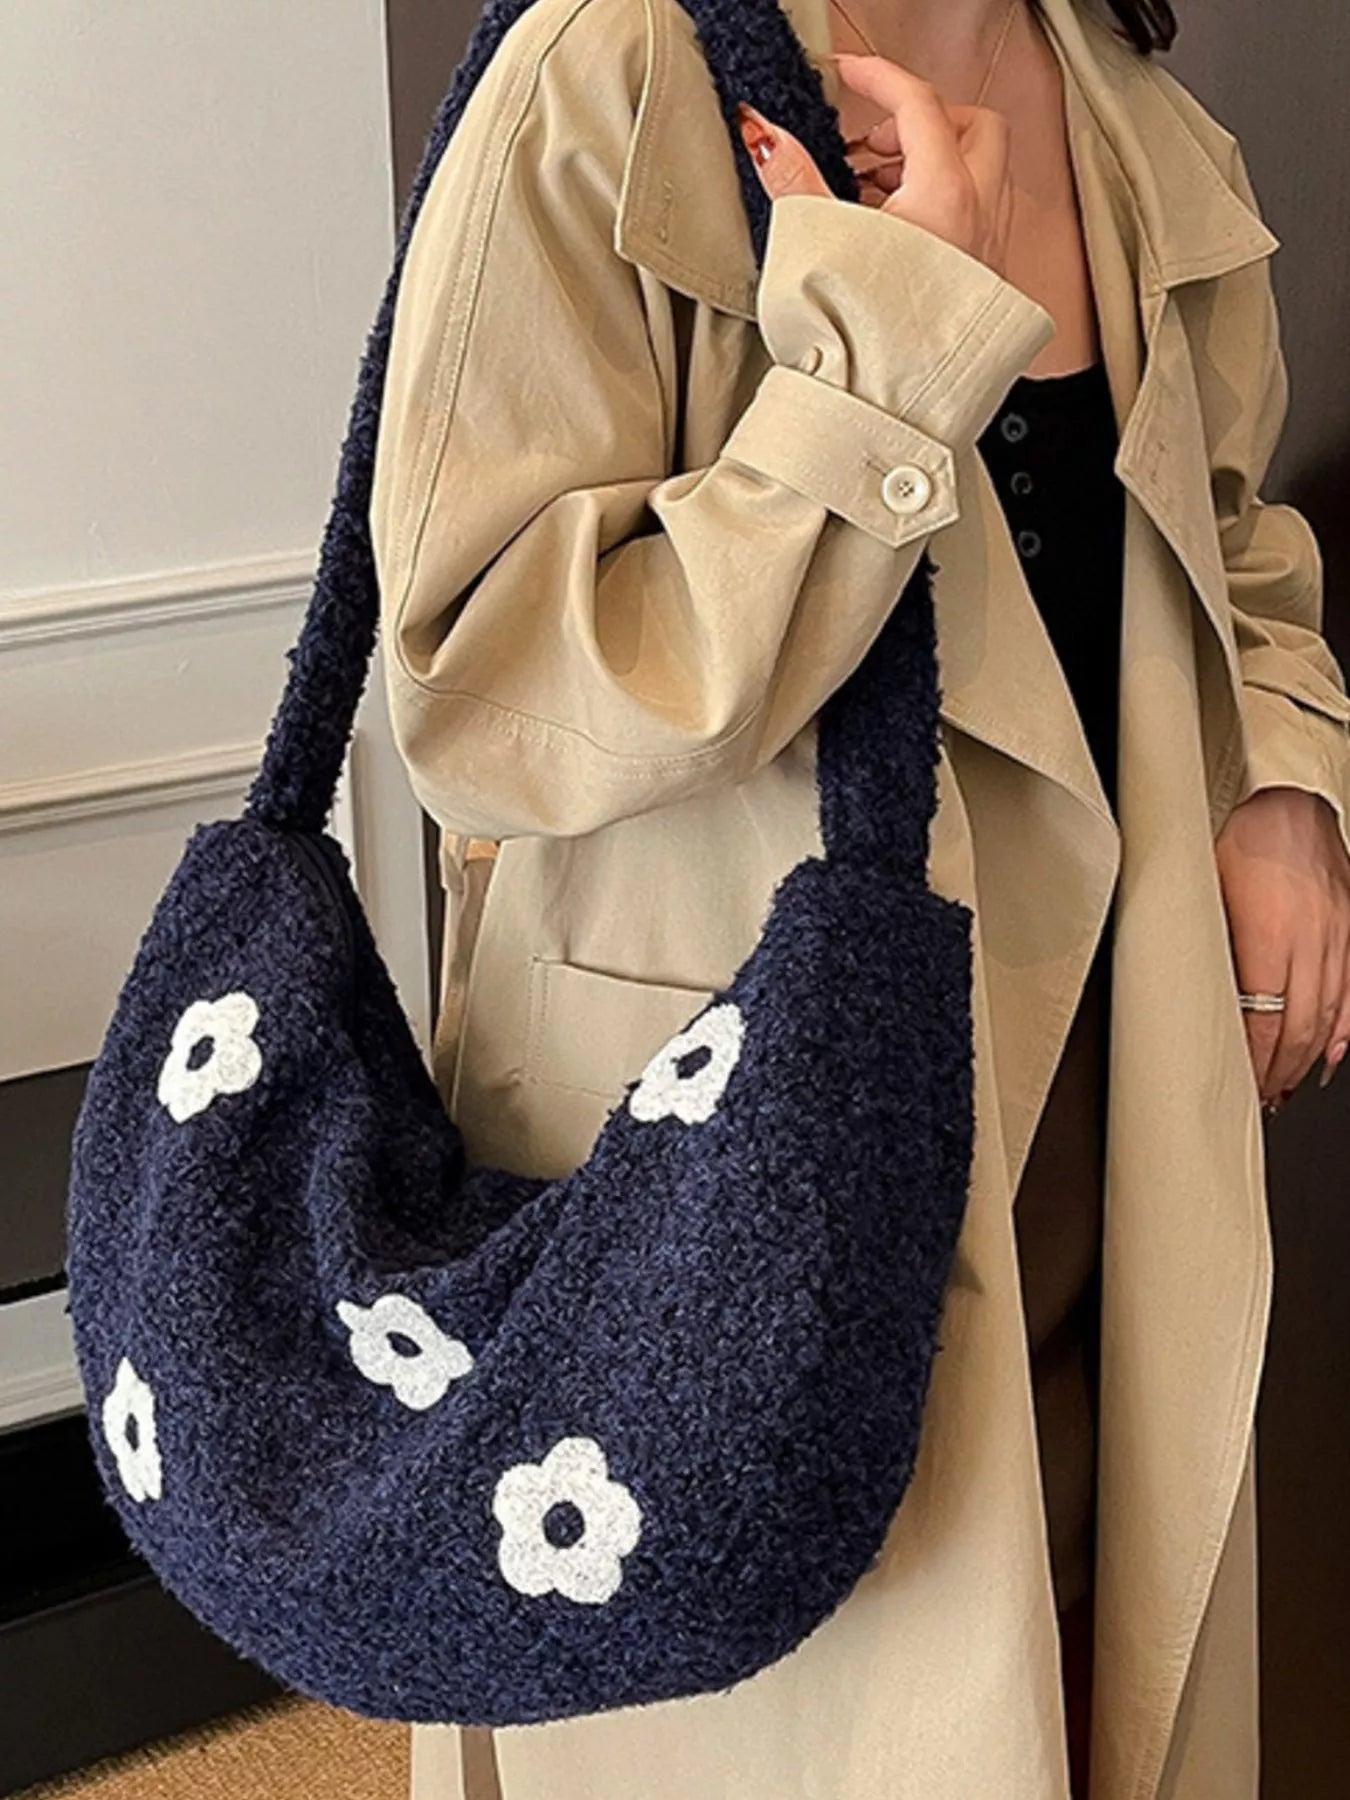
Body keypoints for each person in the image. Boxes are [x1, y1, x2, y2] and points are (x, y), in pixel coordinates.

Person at [368, 0, 1350, 1795]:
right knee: (804, 1719)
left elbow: (1234, 538)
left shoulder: (1134, 113)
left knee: (1078, 1662)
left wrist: (1282, 783)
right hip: (736, 1110)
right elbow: (480, 691)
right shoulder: (614, 70)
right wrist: (886, 356)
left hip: (1102, 1067)